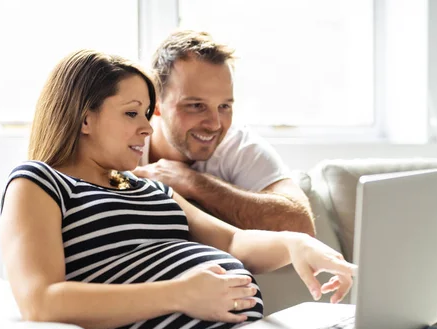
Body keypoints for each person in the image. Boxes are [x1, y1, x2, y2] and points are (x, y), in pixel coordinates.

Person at [0, 49, 437, 329]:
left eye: (148, 113)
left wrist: (297, 245)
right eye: (132, 113)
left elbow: (234, 240)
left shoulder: (147, 186)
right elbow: (42, 300)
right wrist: (181, 294)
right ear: (84, 117)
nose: (146, 127)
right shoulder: (39, 183)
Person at [132, 30, 315, 235]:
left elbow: (302, 226)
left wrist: (194, 182)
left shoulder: (237, 146)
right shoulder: (121, 142)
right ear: (155, 103)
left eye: (224, 107)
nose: (215, 125)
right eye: (196, 105)